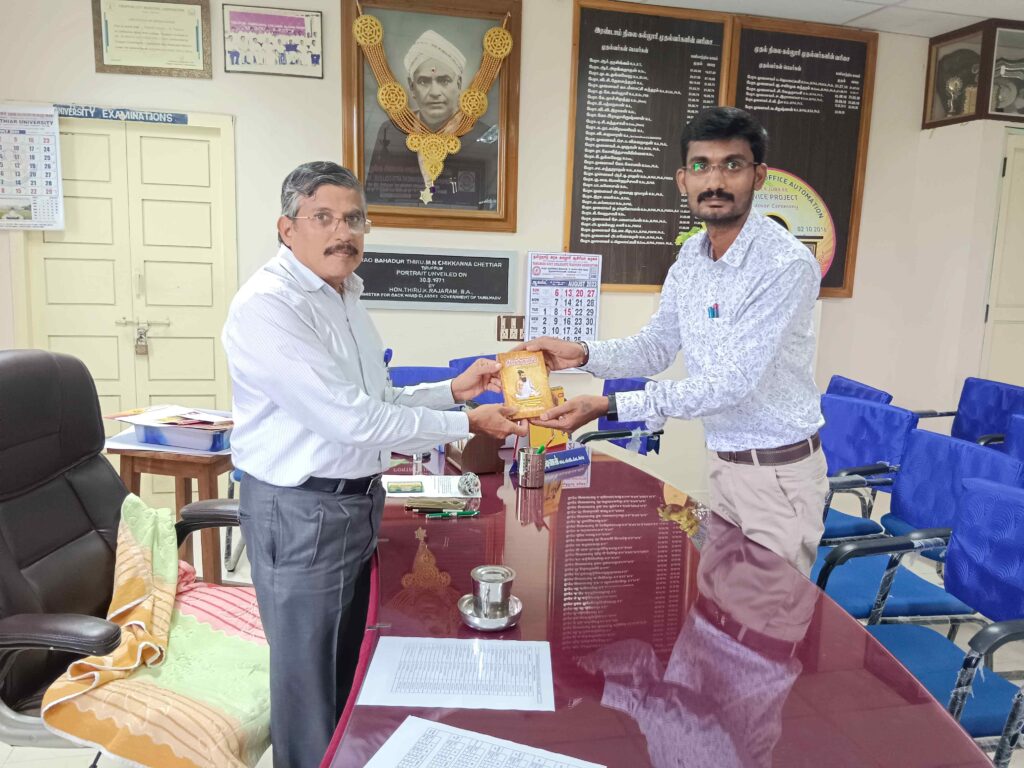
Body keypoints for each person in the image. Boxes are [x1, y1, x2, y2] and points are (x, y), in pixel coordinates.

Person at [222, 161, 526, 767]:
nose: (343, 232)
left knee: (347, 667)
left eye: (354, 218)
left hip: (354, 503)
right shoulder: (270, 305)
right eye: (324, 217)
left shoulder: (346, 298)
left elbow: (378, 401)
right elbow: (351, 420)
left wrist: (454, 391)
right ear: (287, 228)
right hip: (301, 511)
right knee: (307, 686)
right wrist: (468, 423)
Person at [522, 106, 827, 575]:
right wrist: (582, 354)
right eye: (702, 166)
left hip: (777, 476)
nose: (715, 181)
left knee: (767, 612)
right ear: (683, 180)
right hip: (723, 464)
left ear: (758, 176)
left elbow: (731, 383)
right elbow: (656, 347)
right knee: (721, 602)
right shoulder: (692, 257)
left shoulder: (783, 264)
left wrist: (610, 407)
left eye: (732, 165)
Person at [364, 29, 497, 209]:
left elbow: (491, 205)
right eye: (424, 81)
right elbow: (376, 198)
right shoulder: (390, 131)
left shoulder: (484, 136)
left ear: (458, 84)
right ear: (412, 87)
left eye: (444, 80)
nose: (435, 92)